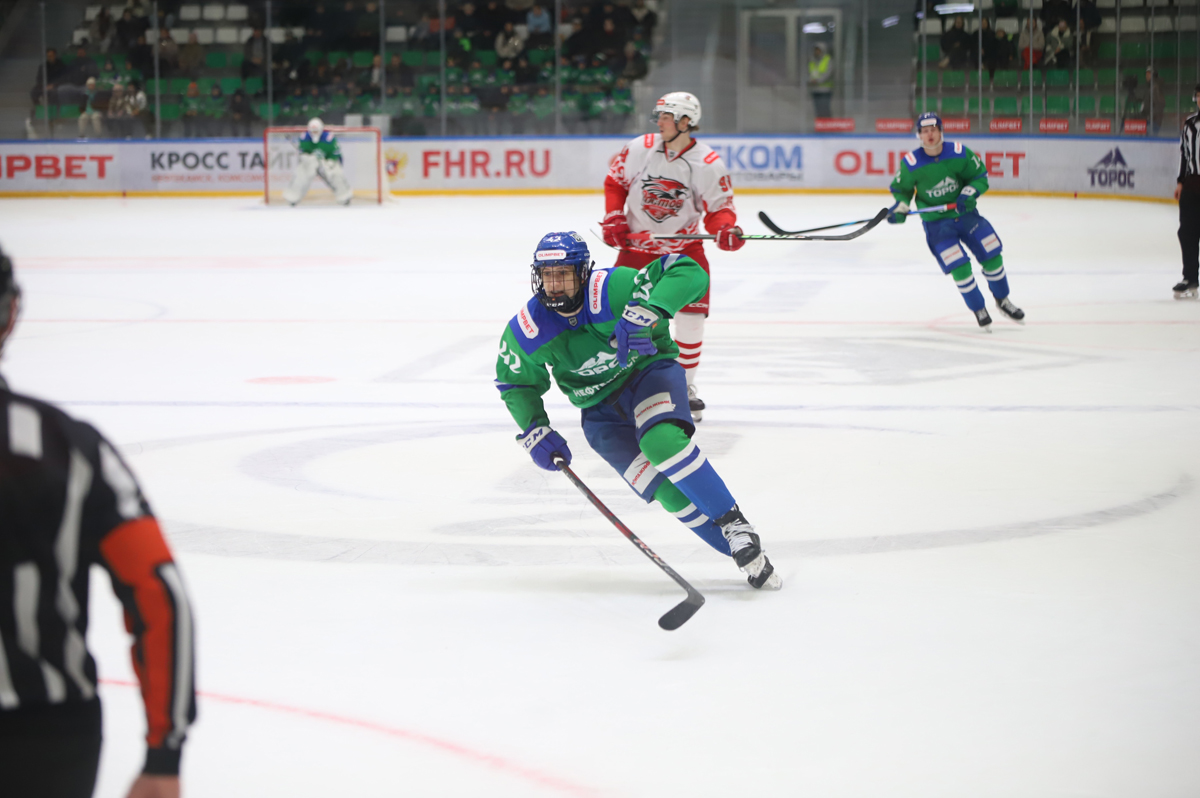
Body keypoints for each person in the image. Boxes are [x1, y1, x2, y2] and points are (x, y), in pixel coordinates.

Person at [0, 245, 196, 798]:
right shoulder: (70, 448)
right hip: (45, 739)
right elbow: (158, 593)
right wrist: (164, 753)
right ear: (12, 314)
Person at [494, 232, 782, 590]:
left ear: (582, 273)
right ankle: (747, 557)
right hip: (599, 415)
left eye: (563, 274)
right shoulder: (528, 328)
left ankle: (734, 523)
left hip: (648, 374)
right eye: (547, 275)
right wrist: (534, 428)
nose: (554, 284)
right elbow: (516, 383)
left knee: (661, 443)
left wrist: (652, 308)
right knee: (665, 491)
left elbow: (687, 270)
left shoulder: (613, 289)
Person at [600, 92, 742, 422]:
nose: (659, 122)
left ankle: (683, 387)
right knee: (618, 319)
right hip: (636, 252)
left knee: (691, 321)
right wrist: (614, 217)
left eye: (666, 116)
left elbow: (719, 209)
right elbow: (615, 182)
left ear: (686, 121)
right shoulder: (640, 147)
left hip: (683, 255)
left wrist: (725, 229)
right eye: (660, 115)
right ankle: (620, 385)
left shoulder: (707, 163)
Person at [888, 112, 1025, 330]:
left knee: (992, 255)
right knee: (959, 267)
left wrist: (968, 193)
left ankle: (1003, 300)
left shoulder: (960, 153)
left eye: (933, 129)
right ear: (919, 135)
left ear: (941, 131)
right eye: (925, 131)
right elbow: (902, 190)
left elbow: (979, 176)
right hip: (937, 224)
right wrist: (901, 207)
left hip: (967, 216)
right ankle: (979, 308)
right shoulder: (911, 163)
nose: (930, 134)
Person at [283, 117, 354, 205]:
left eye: (316, 131)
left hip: (327, 161)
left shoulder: (329, 137)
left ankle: (345, 197)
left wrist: (330, 162)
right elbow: (302, 153)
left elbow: (336, 153)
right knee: (301, 175)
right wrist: (308, 157)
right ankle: (292, 197)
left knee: (335, 174)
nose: (314, 133)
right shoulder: (304, 137)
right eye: (313, 131)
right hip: (311, 161)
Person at [1174, 84, 1200, 299]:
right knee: (1187, 232)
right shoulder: (1189, 125)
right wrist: (1180, 182)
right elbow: (1184, 154)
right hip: (1192, 185)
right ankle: (1190, 278)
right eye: (1198, 96)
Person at [808, 43, 834, 119]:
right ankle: (819, 123)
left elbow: (828, 73)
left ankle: (827, 124)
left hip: (825, 89)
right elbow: (809, 72)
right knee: (818, 109)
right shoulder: (812, 60)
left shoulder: (827, 60)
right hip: (815, 89)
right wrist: (810, 80)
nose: (817, 52)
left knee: (825, 108)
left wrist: (818, 81)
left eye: (818, 50)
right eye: (815, 50)